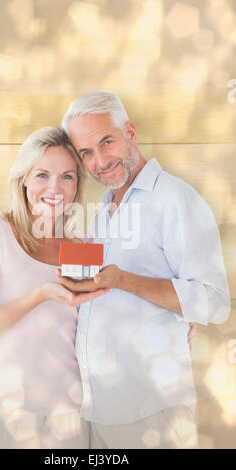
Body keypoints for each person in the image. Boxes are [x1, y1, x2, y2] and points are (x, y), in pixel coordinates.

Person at [58, 92, 231, 449]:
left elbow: (215, 302)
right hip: (96, 411)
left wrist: (127, 281)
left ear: (130, 133)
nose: (101, 161)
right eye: (86, 153)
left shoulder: (176, 200)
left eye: (107, 141)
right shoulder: (101, 211)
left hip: (152, 414)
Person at [0, 126, 109, 449]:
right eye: (42, 175)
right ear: (24, 178)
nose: (54, 187)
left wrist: (174, 321)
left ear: (77, 186)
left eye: (67, 177)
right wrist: (41, 294)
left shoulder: (82, 248)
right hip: (5, 415)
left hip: (69, 420)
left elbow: (103, 324)